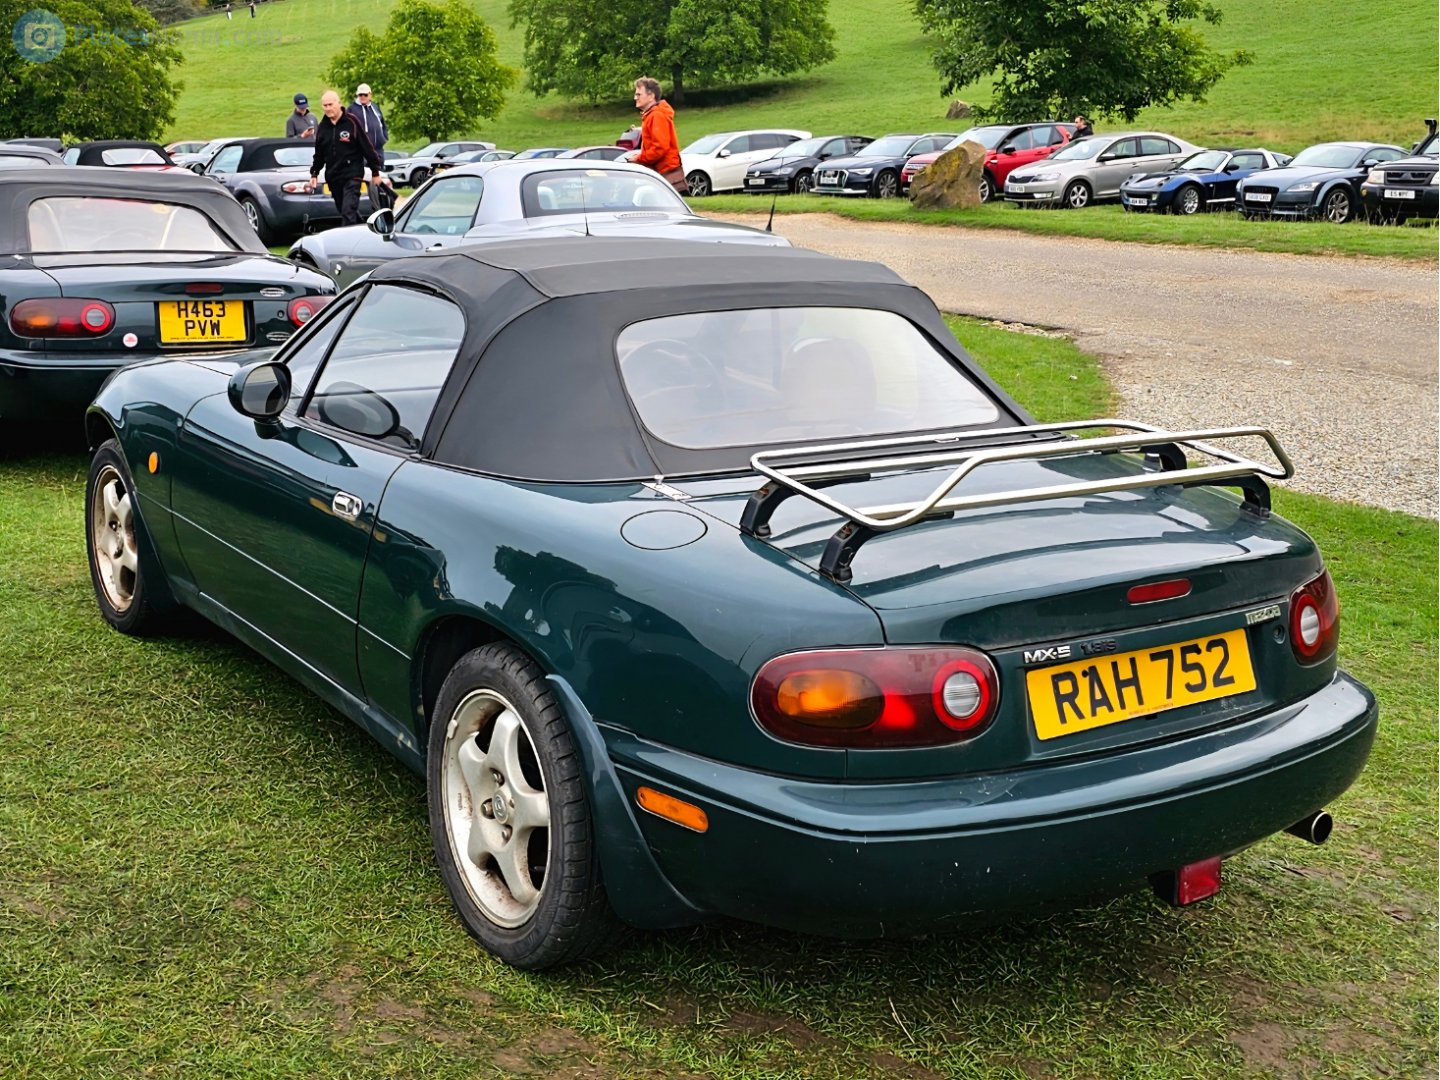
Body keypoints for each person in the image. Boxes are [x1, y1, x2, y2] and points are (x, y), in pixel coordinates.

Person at [307, 90, 390, 226]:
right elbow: (319, 154)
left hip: (353, 174)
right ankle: (363, 230)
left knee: (348, 211)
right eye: (325, 105)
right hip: (333, 176)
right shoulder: (322, 127)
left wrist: (375, 171)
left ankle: (348, 238)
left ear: (339, 103)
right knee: (345, 211)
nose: (328, 108)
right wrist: (314, 173)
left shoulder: (352, 122)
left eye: (330, 104)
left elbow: (366, 147)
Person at [630, 76, 685, 194]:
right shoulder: (652, 115)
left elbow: (659, 148)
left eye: (639, 94)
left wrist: (639, 158)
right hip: (662, 174)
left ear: (651, 96)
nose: (635, 98)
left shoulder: (657, 115)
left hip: (666, 174)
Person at [347, 83, 387, 154]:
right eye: (360, 95)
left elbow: (382, 123)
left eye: (365, 95)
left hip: (378, 150)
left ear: (370, 95)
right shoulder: (352, 109)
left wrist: (384, 137)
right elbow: (346, 128)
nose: (363, 97)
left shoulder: (375, 107)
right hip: (361, 151)